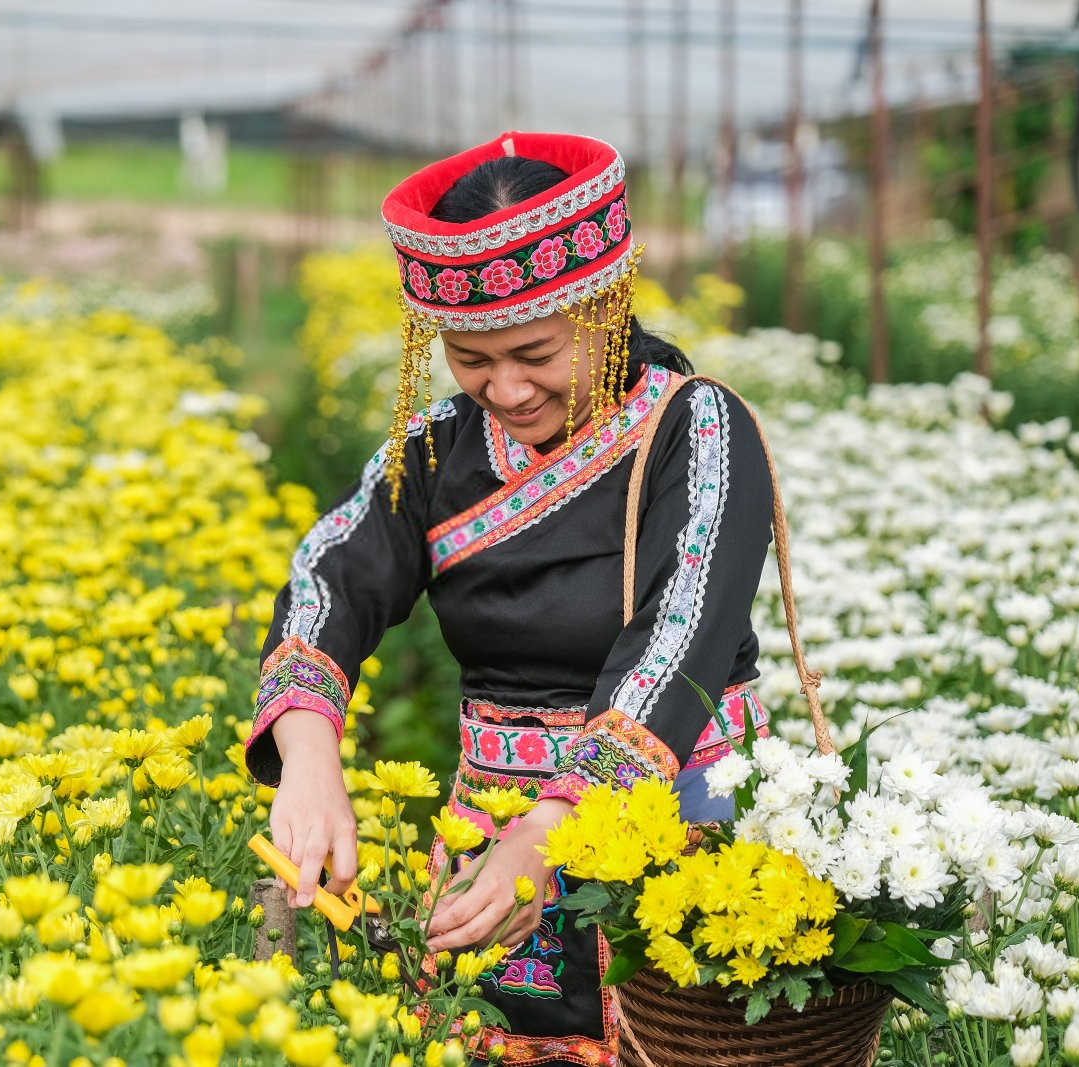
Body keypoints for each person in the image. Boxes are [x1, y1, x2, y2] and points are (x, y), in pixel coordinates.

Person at [243, 132, 775, 1066]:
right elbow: (331, 576)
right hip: (490, 827)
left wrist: (556, 827)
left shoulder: (697, 427)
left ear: (606, 307)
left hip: (678, 825)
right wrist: (309, 750)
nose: (507, 388)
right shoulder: (437, 452)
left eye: (534, 351)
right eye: (470, 359)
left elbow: (678, 639)